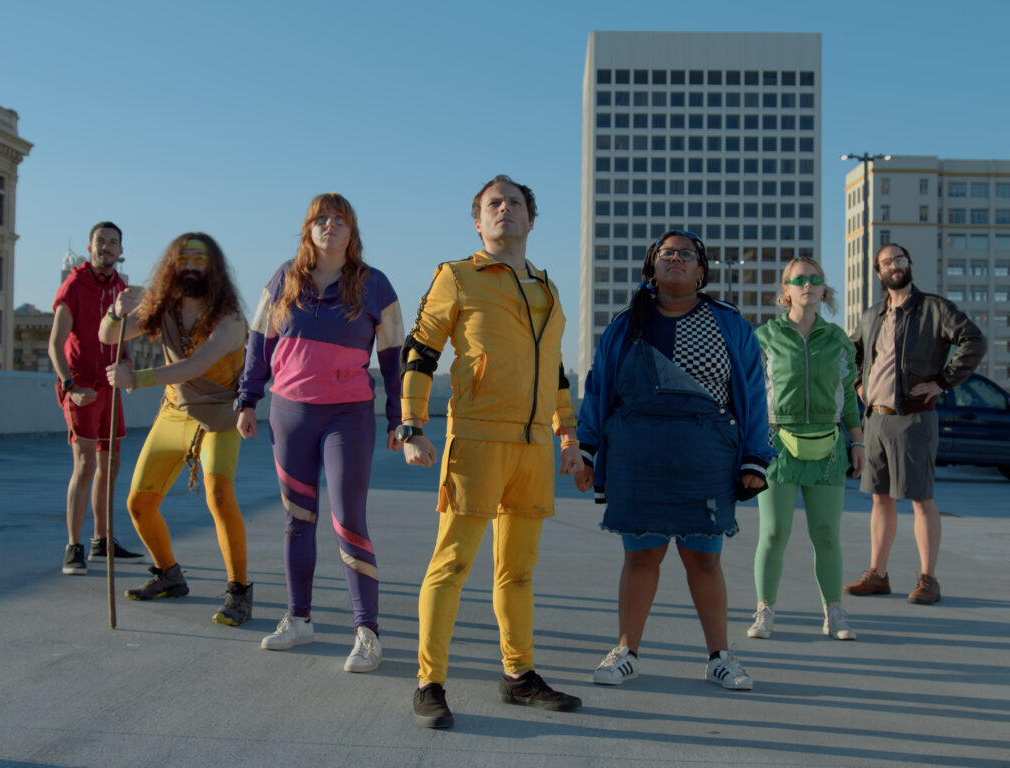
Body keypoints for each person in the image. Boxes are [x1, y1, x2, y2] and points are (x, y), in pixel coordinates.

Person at [400, 175, 584, 729]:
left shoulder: (549, 290)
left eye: (515, 203)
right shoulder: (457, 276)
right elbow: (421, 350)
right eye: (493, 204)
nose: (505, 209)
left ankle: (518, 675)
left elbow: (553, 370)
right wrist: (411, 424)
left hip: (531, 449)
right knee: (452, 563)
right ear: (478, 222)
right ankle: (429, 682)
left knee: (518, 572)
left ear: (531, 219)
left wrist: (568, 438)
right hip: (476, 437)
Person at [575, 230, 772, 691]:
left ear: (701, 271)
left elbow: (753, 393)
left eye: (686, 254)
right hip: (636, 454)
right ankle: (626, 652)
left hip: (705, 455)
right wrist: (585, 452)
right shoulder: (626, 324)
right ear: (652, 266)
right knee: (641, 557)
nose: (676, 259)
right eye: (667, 253)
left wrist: (755, 458)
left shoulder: (729, 324)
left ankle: (720, 657)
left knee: (704, 560)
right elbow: (598, 389)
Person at [236, 193, 403, 671]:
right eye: (321, 219)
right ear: (308, 229)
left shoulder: (375, 285)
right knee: (296, 519)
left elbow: (393, 359)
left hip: (347, 417)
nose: (330, 225)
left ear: (353, 232)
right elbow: (259, 343)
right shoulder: (284, 278)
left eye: (340, 220)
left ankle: (366, 632)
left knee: (349, 520)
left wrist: (398, 419)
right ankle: (298, 619)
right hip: (289, 414)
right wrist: (247, 399)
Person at [100, 233, 252, 626]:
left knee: (219, 496)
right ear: (172, 263)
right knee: (139, 504)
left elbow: (196, 365)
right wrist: (116, 311)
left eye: (199, 259)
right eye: (183, 258)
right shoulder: (161, 307)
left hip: (220, 415)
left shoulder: (230, 317)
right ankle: (168, 573)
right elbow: (108, 336)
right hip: (174, 411)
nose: (190, 265)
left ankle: (238, 591)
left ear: (213, 267)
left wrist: (137, 378)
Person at [846, 243, 985, 605]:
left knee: (921, 499)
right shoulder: (873, 313)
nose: (895, 265)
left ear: (909, 264)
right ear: (878, 273)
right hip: (876, 418)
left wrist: (943, 381)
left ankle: (928, 579)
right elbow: (852, 352)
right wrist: (858, 384)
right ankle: (877, 574)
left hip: (914, 418)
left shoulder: (935, 310)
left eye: (900, 259)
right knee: (880, 499)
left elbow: (974, 341)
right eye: (887, 262)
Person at [747, 257, 864, 642]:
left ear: (824, 290)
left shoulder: (838, 339)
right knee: (775, 532)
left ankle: (834, 612)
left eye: (815, 279)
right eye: (798, 280)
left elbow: (847, 395)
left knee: (828, 533)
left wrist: (858, 440)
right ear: (786, 291)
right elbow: (750, 395)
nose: (807, 285)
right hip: (777, 443)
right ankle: (764, 610)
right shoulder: (764, 337)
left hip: (829, 447)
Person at [48, 221, 143, 575]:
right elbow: (55, 344)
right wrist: (70, 385)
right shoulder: (74, 285)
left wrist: (129, 363)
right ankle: (73, 547)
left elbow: (125, 335)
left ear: (120, 251)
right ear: (90, 247)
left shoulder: (120, 287)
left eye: (113, 243)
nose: (106, 248)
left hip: (111, 388)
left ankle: (102, 540)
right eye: (100, 242)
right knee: (85, 464)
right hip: (82, 388)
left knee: (112, 464)